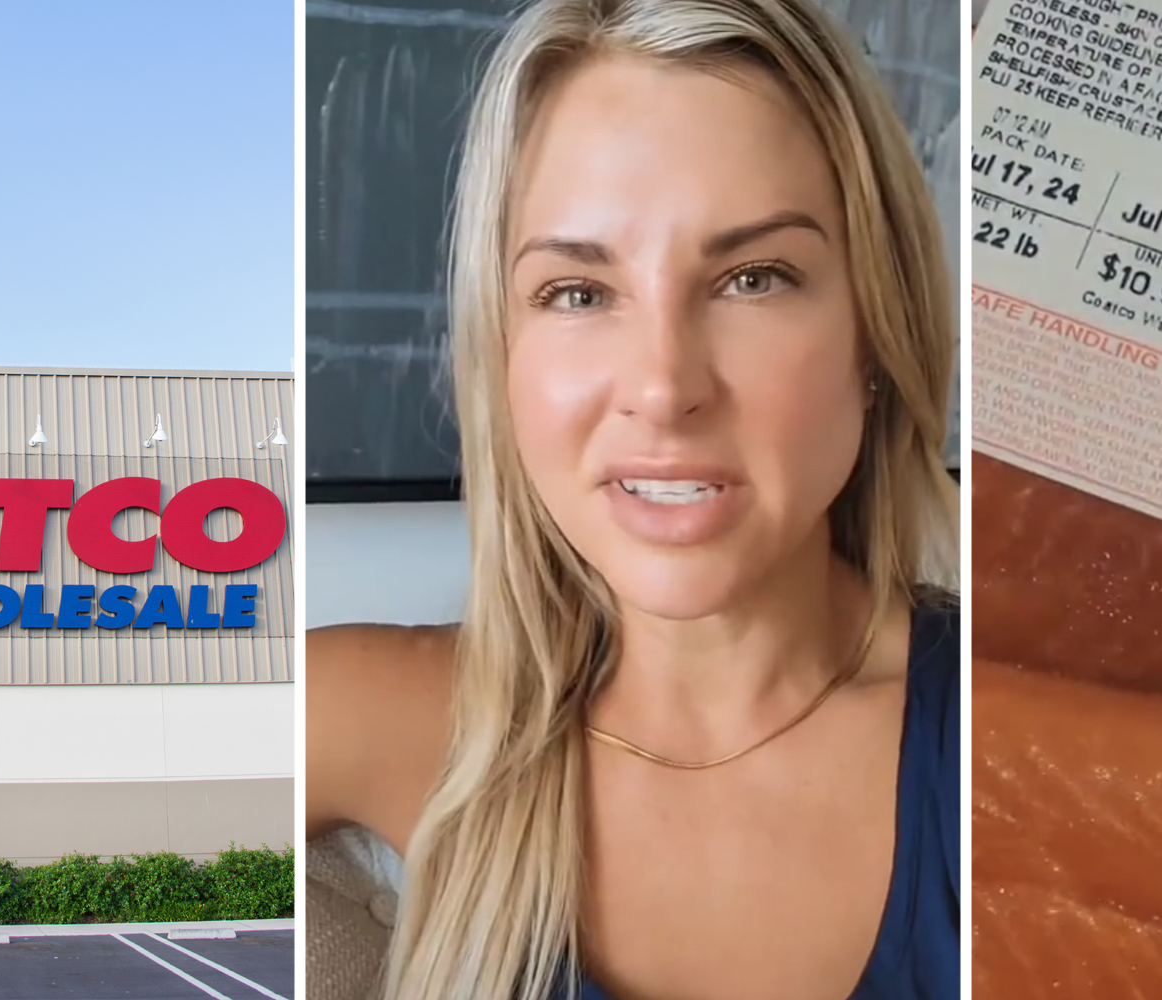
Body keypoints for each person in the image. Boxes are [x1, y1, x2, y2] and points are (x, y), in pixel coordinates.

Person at [305, 0, 959, 995]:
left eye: (753, 278)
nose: (662, 385)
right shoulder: (377, 714)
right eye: (576, 292)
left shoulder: (1012, 729)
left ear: (875, 332)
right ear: (504, 354)